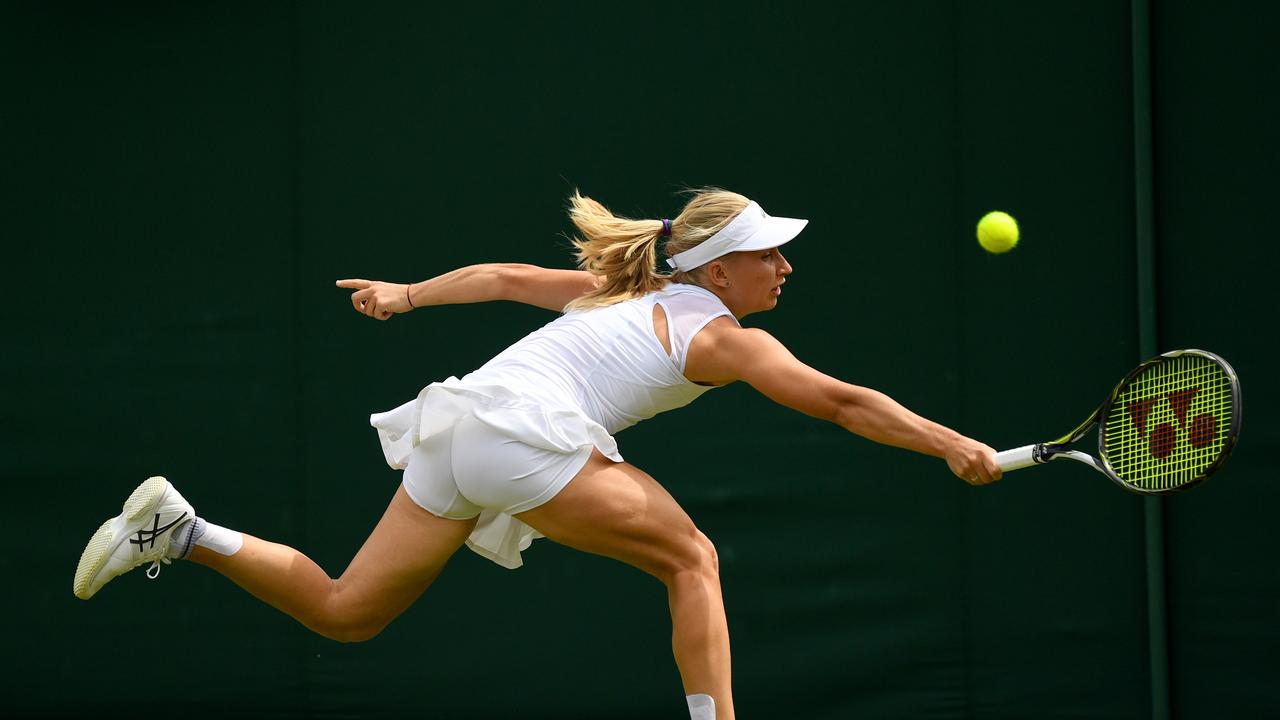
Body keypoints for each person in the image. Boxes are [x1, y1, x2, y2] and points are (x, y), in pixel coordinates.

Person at [73, 188, 1002, 720]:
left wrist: (406, 296)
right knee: (694, 560)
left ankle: (182, 531)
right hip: (523, 436)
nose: (784, 267)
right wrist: (955, 442)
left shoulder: (614, 292)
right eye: (767, 255)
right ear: (716, 271)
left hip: (458, 430)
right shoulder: (722, 337)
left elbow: (506, 278)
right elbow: (840, 402)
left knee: (346, 613)